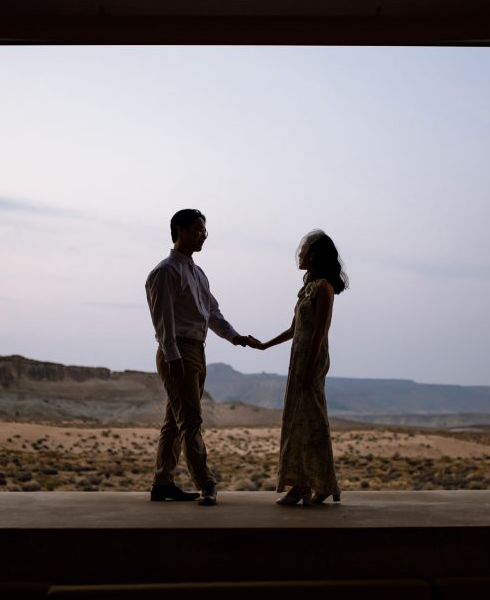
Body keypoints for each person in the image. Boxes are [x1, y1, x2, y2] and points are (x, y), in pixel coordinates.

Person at [145, 209, 256, 506]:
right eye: (198, 229)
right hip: (179, 352)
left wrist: (235, 337)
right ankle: (206, 483)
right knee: (191, 421)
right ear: (180, 230)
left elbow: (212, 313)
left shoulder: (197, 273)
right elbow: (163, 321)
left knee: (175, 421)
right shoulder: (165, 272)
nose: (204, 235)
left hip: (196, 350)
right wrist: (173, 355)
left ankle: (162, 483)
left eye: (205, 230)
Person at [252, 230, 348, 505]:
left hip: (311, 362)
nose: (299, 254)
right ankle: (305, 483)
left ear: (314, 255)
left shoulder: (323, 289)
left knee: (312, 423)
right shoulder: (307, 289)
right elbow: (295, 329)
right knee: (299, 423)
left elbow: (319, 332)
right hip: (298, 361)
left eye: (303, 250)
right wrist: (265, 346)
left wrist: (309, 370)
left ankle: (313, 484)